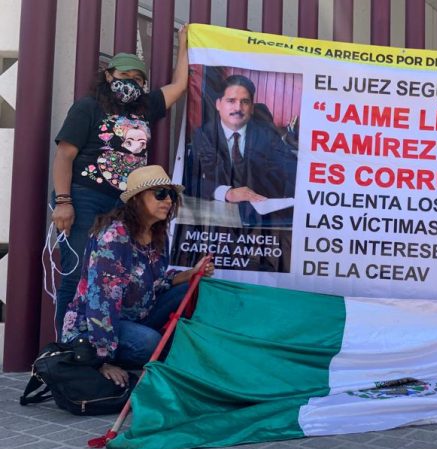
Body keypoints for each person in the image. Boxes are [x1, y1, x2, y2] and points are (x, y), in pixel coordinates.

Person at [50, 26, 190, 337]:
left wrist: (184, 44)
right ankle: (67, 349)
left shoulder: (145, 107)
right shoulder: (88, 107)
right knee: (77, 275)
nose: (131, 83)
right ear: (109, 76)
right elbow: (64, 155)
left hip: (125, 203)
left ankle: (108, 342)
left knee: (120, 273)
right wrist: (63, 201)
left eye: (138, 79)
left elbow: (179, 86)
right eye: (124, 76)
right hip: (85, 196)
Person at [59, 166, 215, 387]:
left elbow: (157, 284)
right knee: (149, 342)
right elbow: (101, 303)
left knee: (193, 288)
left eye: (171, 194)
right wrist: (102, 361)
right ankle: (117, 356)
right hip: (94, 327)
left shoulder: (157, 234)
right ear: (137, 199)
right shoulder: (114, 237)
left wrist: (193, 273)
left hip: (136, 315)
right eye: (160, 193)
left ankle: (178, 353)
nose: (168, 200)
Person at [188, 74, 297, 202]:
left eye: (245, 102)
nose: (238, 108)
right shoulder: (204, 135)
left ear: (251, 108)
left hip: (259, 213)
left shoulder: (267, 134)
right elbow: (189, 180)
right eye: (231, 101)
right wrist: (226, 193)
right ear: (218, 104)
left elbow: (292, 172)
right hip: (217, 215)